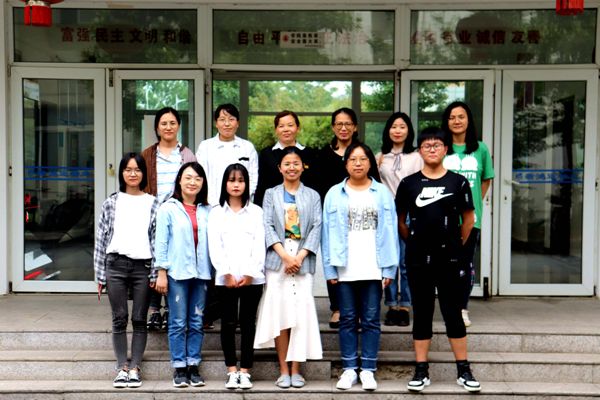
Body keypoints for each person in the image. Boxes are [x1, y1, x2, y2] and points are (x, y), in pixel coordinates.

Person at [396, 127, 480, 393]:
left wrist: (454, 246)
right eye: (426, 145)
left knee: (453, 313)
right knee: (422, 314)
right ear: (419, 150)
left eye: (437, 145)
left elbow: (469, 220)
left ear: (445, 149)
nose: (432, 149)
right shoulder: (408, 184)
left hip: (450, 259)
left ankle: (463, 369)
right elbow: (401, 222)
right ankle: (421, 370)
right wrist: (415, 242)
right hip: (418, 259)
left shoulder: (458, 182)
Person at [322, 142, 398, 391]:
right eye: (353, 159)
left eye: (363, 159)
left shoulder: (382, 193)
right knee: (347, 319)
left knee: (371, 320)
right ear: (346, 164)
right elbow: (326, 234)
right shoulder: (334, 193)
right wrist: (329, 269)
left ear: (370, 163)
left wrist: (390, 268)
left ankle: (367, 369)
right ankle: (348, 369)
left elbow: (391, 232)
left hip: (374, 266)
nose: (358, 163)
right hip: (344, 266)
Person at [254, 147, 323, 389]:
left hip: (303, 259)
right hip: (278, 259)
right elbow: (267, 225)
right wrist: (284, 256)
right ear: (279, 168)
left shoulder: (313, 195)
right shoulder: (270, 194)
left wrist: (299, 257)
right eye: (287, 163)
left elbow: (316, 226)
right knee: (280, 314)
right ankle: (283, 370)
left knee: (300, 315)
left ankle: (297, 370)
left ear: (303, 166)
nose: (291, 167)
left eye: (296, 163)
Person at [94, 152, 159, 388]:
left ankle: (135, 368)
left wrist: (156, 272)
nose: (133, 174)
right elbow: (101, 239)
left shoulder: (153, 203)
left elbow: (157, 240)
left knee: (140, 319)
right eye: (128, 169)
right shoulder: (111, 202)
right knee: (119, 318)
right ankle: (122, 367)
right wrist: (100, 275)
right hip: (115, 265)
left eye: (138, 170)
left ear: (144, 174)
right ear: (122, 173)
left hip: (143, 267)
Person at [207, 163, 266, 390]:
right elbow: (215, 246)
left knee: (249, 323)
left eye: (240, 180)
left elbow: (259, 245)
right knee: (228, 323)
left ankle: (246, 371)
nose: (236, 185)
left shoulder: (256, 212)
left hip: (252, 278)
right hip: (226, 279)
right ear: (225, 184)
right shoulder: (216, 213)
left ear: (246, 184)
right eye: (232, 180)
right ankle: (232, 371)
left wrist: (250, 273)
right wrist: (226, 272)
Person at [153, 162, 212, 388]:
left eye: (197, 178)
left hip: (201, 273)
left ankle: (193, 365)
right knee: (178, 322)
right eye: (188, 177)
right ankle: (179, 367)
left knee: (196, 321)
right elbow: (161, 242)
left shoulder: (208, 210)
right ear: (179, 180)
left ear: (203, 183)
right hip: (176, 273)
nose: (192, 182)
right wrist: (161, 272)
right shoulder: (168, 208)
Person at [141, 106, 196, 332]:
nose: (168, 127)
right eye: (164, 123)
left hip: (179, 214)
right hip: (152, 214)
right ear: (157, 128)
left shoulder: (186, 155)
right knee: (154, 258)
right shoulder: (147, 154)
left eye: (172, 123)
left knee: (174, 258)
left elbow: (193, 183)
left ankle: (173, 308)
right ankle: (154, 309)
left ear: (179, 126)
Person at [441, 101, 495, 327]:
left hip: (470, 220)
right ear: (446, 121)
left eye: (461, 116)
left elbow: (486, 179)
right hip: (442, 218)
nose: (456, 121)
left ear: (469, 120)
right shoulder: (441, 147)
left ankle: (461, 308)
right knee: (445, 265)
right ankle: (447, 306)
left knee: (464, 265)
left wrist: (472, 204)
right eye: (452, 117)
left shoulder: (480, 149)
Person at [376, 112, 423, 327]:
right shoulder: (380, 157)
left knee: (406, 261)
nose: (397, 130)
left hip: (410, 212)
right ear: (388, 130)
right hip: (386, 212)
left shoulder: (417, 156)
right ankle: (391, 306)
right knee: (388, 260)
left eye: (402, 126)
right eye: (394, 126)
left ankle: (404, 305)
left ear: (408, 131)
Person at [317, 107, 361, 329]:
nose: (343, 128)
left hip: (359, 219)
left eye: (348, 124)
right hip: (332, 219)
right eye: (339, 124)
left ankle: (357, 309)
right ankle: (337, 308)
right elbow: (316, 187)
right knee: (334, 262)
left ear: (355, 127)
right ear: (333, 127)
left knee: (357, 262)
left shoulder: (361, 153)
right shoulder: (323, 155)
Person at [195, 103, 259, 206]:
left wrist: (242, 200)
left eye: (231, 119)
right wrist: (210, 202)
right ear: (216, 123)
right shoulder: (205, 147)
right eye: (222, 119)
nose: (227, 124)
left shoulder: (247, 147)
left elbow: (253, 177)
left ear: (237, 123)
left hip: (241, 205)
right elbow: (200, 176)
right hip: (211, 204)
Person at [254, 110, 317, 206]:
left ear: (298, 128)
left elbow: (315, 184)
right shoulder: (266, 154)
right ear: (276, 130)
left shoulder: (310, 153)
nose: (286, 129)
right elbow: (261, 185)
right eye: (281, 126)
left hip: (305, 206)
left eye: (290, 125)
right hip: (274, 207)